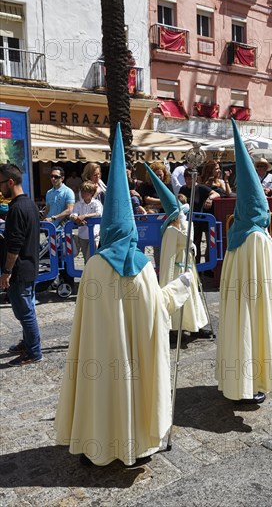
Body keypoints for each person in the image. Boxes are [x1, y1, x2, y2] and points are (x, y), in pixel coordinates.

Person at [55, 124, 192, 467]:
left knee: (98, 379)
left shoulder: (94, 267)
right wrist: (183, 286)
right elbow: (158, 310)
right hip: (133, 356)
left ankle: (96, 442)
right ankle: (135, 444)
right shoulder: (143, 266)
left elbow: (83, 323)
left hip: (99, 356)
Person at [216, 119, 272, 405]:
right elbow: (266, 281)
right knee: (254, 331)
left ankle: (250, 377)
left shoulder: (238, 233)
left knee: (242, 332)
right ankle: (252, 381)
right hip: (255, 302)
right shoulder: (256, 238)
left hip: (241, 302)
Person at [145, 163, 211, 338]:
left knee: (192, 297)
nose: (184, 217)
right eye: (181, 215)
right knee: (178, 298)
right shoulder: (172, 231)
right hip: (176, 270)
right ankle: (175, 328)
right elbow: (182, 244)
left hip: (187, 267)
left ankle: (195, 324)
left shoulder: (183, 226)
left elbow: (190, 245)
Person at [0, 164, 42, 366]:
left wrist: (6, 272)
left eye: (0, 183)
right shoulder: (30, 204)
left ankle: (33, 352)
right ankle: (27, 343)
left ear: (10, 182)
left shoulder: (17, 208)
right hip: (29, 266)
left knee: (25, 313)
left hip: (20, 270)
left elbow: (15, 247)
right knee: (27, 310)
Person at [42, 166, 75, 289]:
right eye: (51, 176)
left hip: (62, 229)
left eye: (56, 176)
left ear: (62, 178)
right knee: (51, 256)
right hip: (49, 229)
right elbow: (47, 209)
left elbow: (70, 209)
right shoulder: (49, 192)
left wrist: (54, 218)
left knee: (64, 256)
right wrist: (42, 220)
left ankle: (67, 283)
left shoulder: (68, 191)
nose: (53, 179)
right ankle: (52, 281)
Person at [179, 168, 220, 264]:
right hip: (190, 221)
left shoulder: (201, 188)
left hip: (202, 220)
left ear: (195, 178)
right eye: (187, 178)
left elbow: (216, 194)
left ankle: (207, 268)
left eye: (191, 178)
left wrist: (209, 198)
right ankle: (196, 268)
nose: (189, 181)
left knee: (210, 244)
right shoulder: (183, 189)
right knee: (193, 245)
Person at [70, 181, 103, 264]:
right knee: (86, 259)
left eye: (86, 191)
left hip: (94, 235)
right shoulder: (78, 204)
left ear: (91, 193)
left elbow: (99, 213)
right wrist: (75, 218)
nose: (83, 194)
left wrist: (85, 216)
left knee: (90, 259)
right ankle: (89, 275)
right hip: (82, 236)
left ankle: (91, 276)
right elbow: (73, 214)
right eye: (82, 191)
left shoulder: (96, 203)